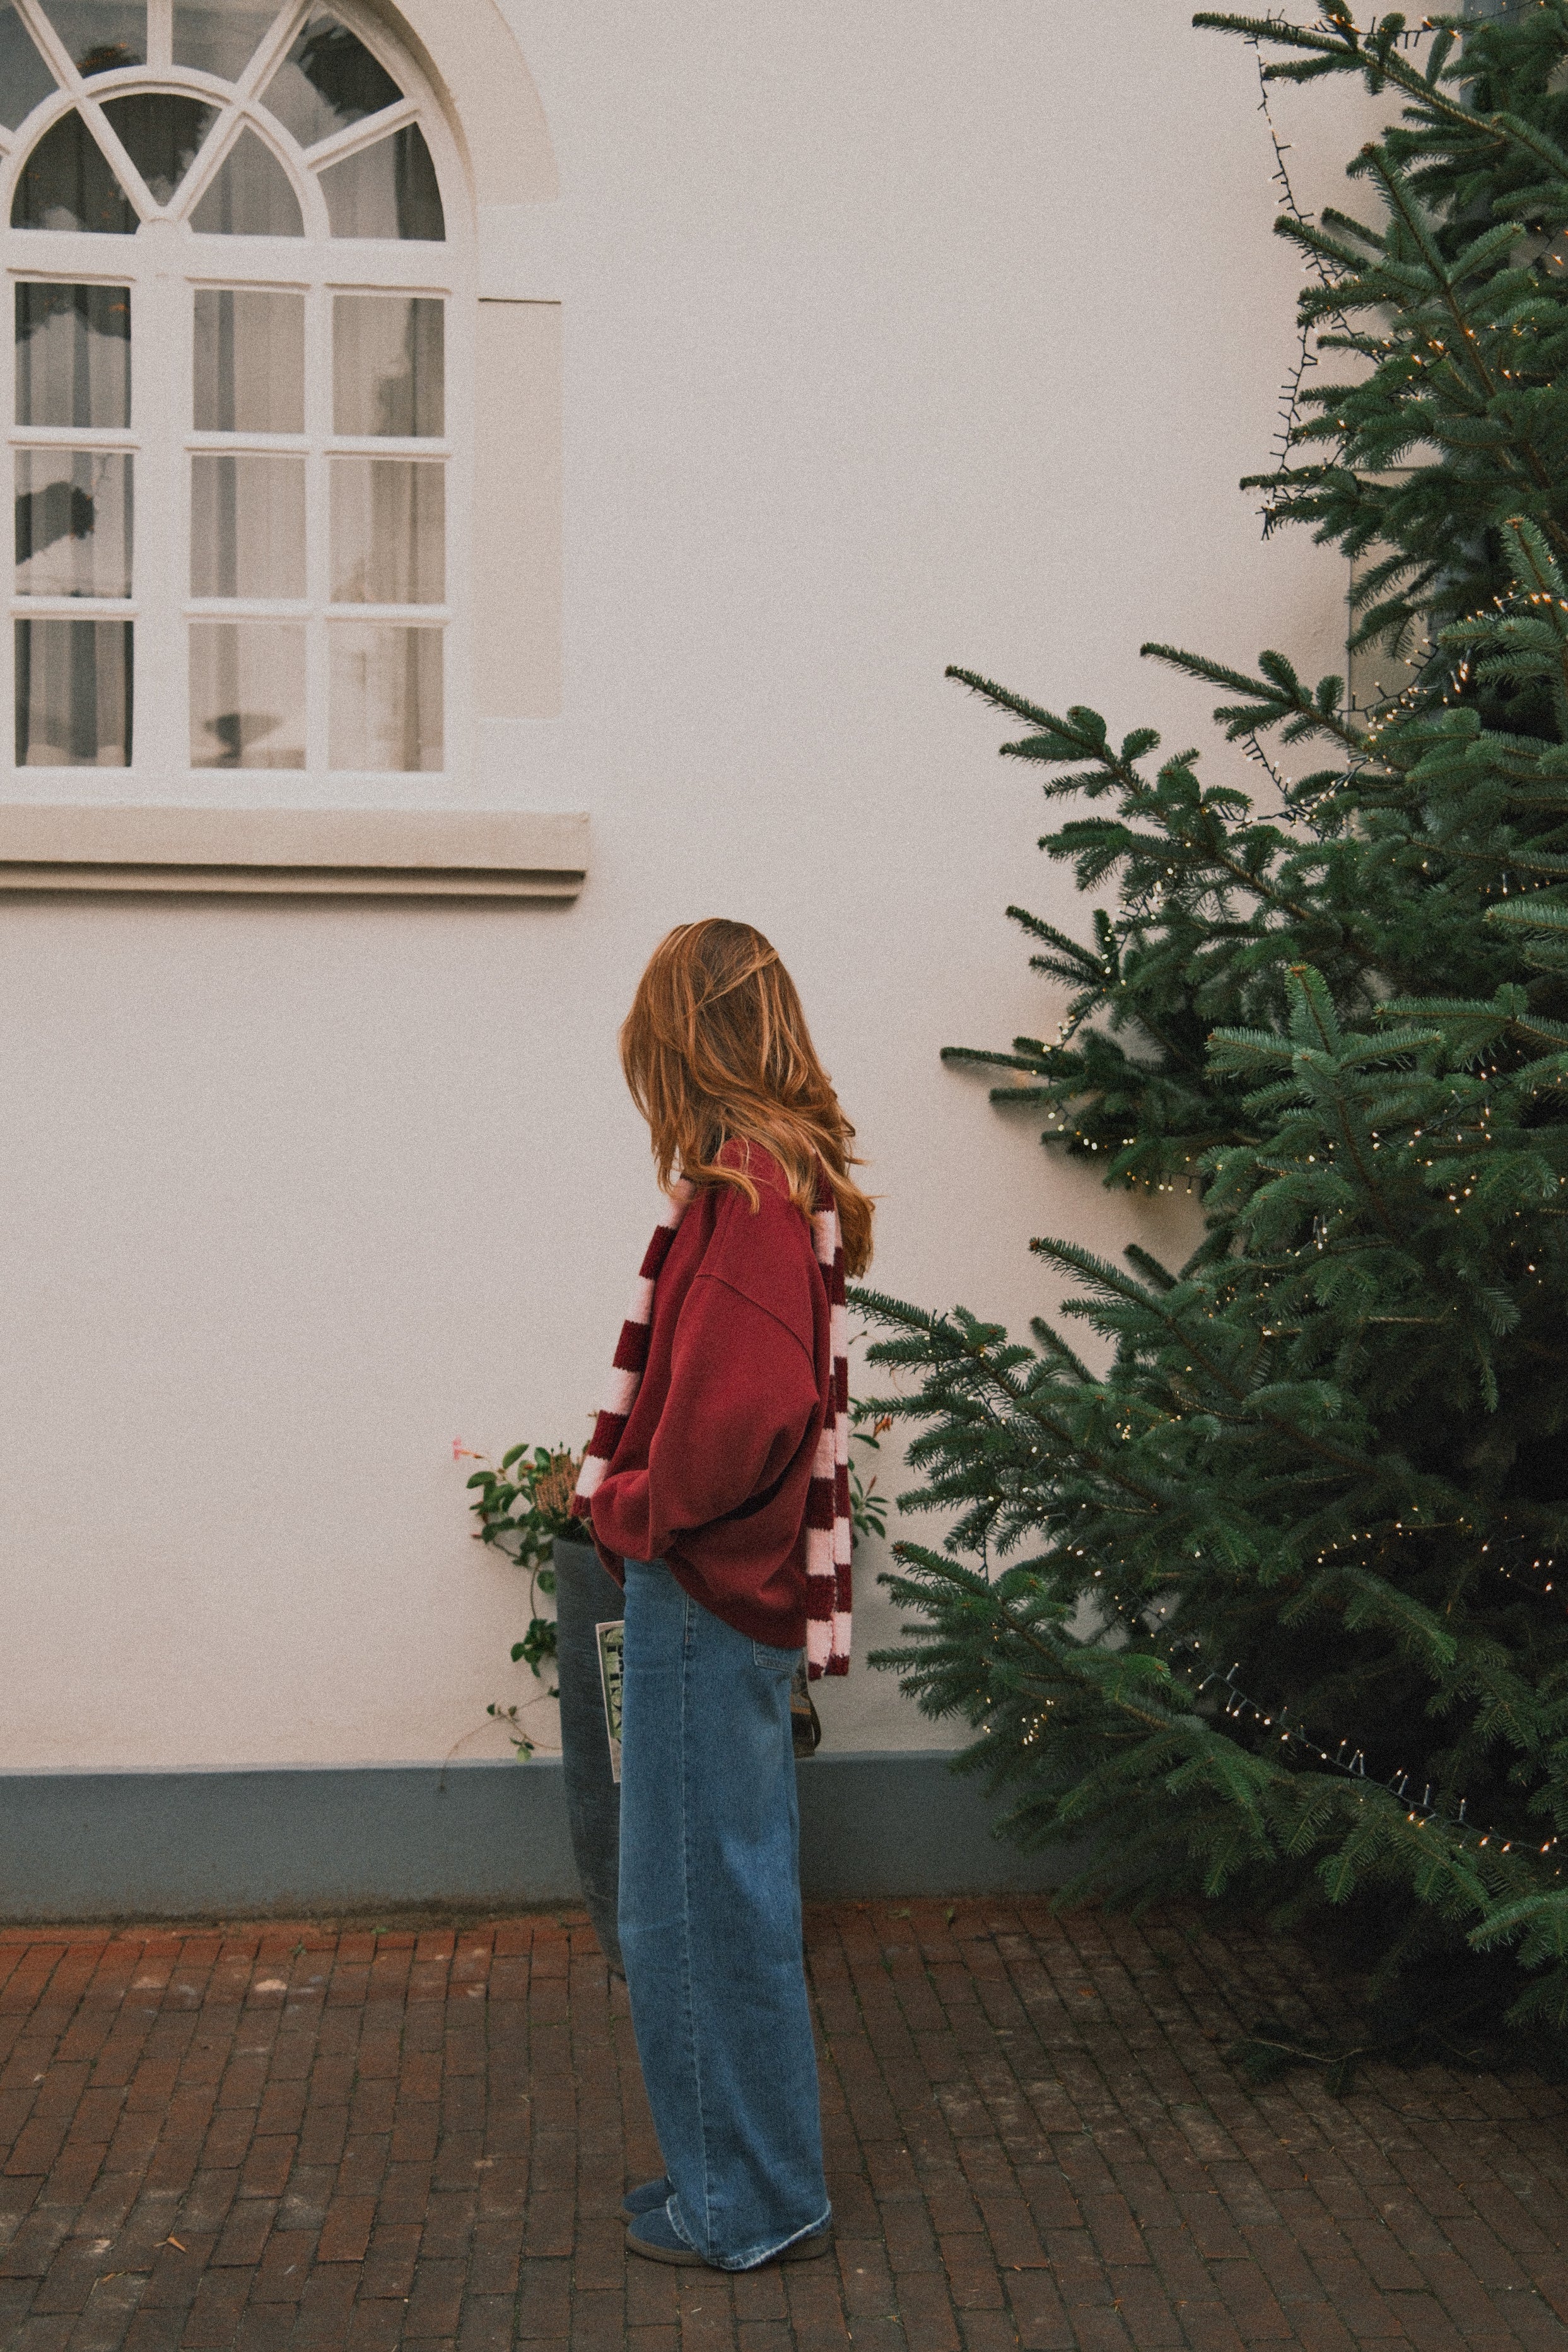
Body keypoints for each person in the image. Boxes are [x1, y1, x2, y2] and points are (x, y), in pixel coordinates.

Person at [570, 918, 875, 2271]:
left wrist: (633, 1507)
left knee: (690, 1905)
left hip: (702, 1592)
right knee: (724, 1895)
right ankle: (753, 2178)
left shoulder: (744, 1191)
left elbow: (740, 1409)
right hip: (730, 1597)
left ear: (680, 1042)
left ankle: (742, 2203)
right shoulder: (776, 1179)